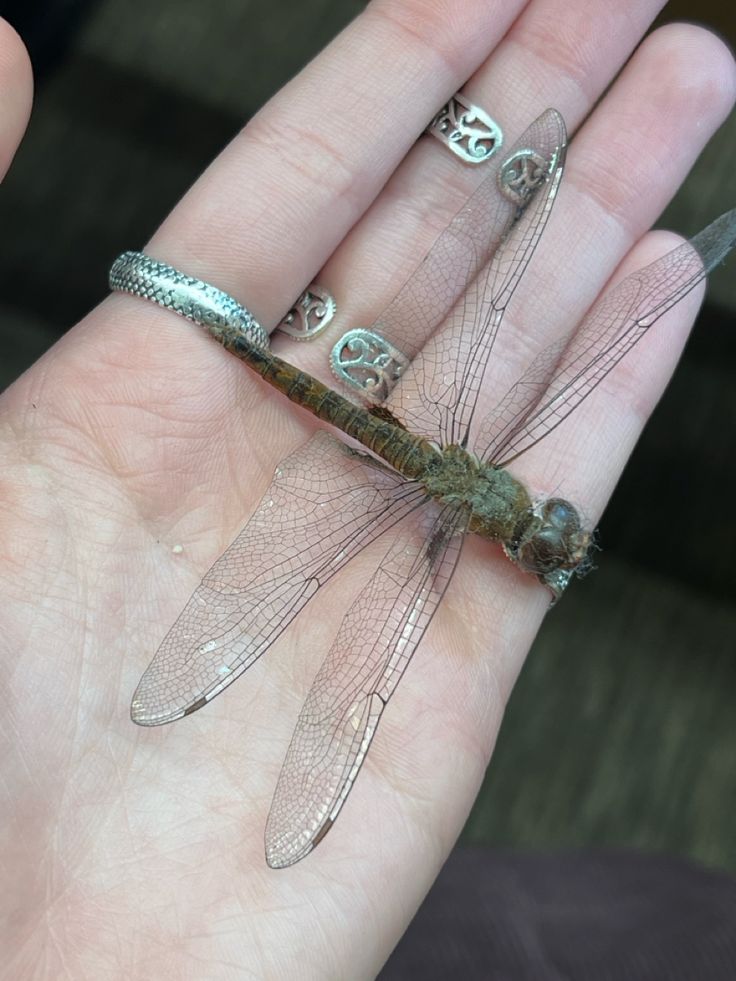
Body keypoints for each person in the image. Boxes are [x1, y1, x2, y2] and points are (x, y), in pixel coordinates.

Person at [0, 2, 734, 976]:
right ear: (508, 532)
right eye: (541, 536)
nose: (546, 535)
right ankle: (203, 323)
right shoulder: (463, 522)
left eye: (542, 536)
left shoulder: (486, 484)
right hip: (332, 404)